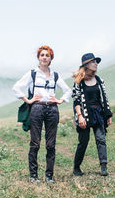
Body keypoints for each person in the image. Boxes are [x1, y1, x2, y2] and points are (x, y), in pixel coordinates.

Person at [13, 45, 72, 183]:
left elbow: (68, 90)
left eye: (47, 55)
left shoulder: (55, 75)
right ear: (38, 58)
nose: (45, 57)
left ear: (51, 58)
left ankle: (49, 176)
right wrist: (28, 100)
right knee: (35, 143)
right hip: (37, 109)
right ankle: (33, 176)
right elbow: (16, 87)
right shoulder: (32, 74)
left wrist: (59, 100)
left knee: (51, 144)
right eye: (42, 55)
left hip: (52, 110)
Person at [71, 53, 113, 176]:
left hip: (98, 114)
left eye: (96, 62)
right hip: (84, 115)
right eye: (93, 62)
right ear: (86, 65)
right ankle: (76, 167)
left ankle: (103, 166)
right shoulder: (79, 81)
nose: (96, 64)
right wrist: (79, 116)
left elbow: (104, 98)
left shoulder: (99, 80)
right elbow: (76, 100)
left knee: (101, 139)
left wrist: (108, 114)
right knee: (83, 142)